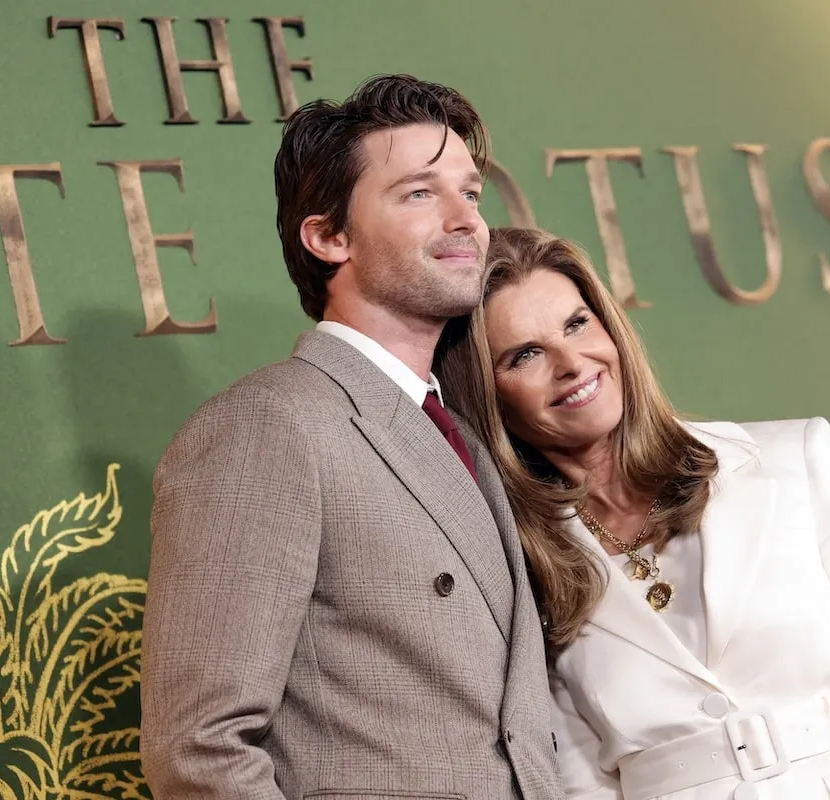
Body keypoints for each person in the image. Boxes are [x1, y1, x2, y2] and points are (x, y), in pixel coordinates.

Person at [435, 227, 830, 800]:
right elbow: (581, 781)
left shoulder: (793, 459)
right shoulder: (518, 564)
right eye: (525, 355)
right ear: (488, 394)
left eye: (578, 324)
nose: (572, 363)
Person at [140, 78, 561, 800]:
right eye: (420, 194)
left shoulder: (460, 428)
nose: (465, 220)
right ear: (329, 236)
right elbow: (198, 752)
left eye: (472, 193)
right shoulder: (268, 427)